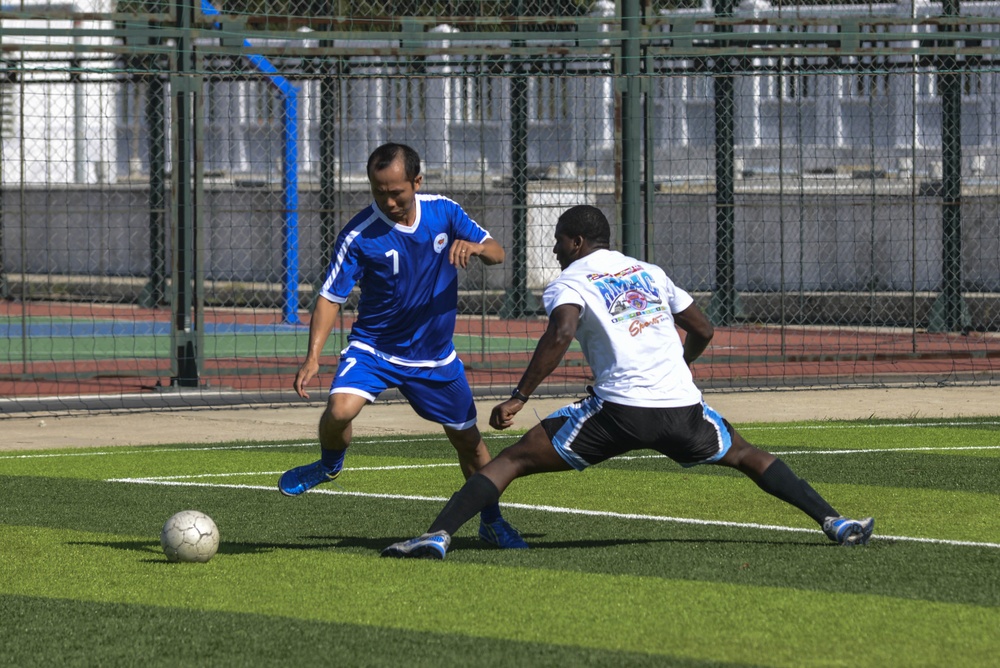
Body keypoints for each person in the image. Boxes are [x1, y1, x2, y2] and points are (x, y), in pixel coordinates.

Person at [382, 204, 874, 559]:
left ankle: (438, 535)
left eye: (558, 240)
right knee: (748, 456)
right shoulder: (649, 272)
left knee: (511, 460)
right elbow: (703, 328)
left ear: (575, 241)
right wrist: (678, 367)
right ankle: (835, 521)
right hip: (682, 408)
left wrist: (519, 396)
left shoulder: (571, 279)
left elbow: (563, 332)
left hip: (617, 413)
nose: (555, 249)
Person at [280, 142, 527, 549]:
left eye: (396, 191)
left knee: (469, 442)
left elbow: (498, 252)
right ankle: (328, 464)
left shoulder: (444, 211)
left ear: (417, 181)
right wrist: (312, 357)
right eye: (379, 191)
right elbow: (330, 297)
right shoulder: (359, 234)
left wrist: (478, 248)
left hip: (434, 357)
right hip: (374, 349)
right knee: (339, 410)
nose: (389, 200)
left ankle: (492, 520)